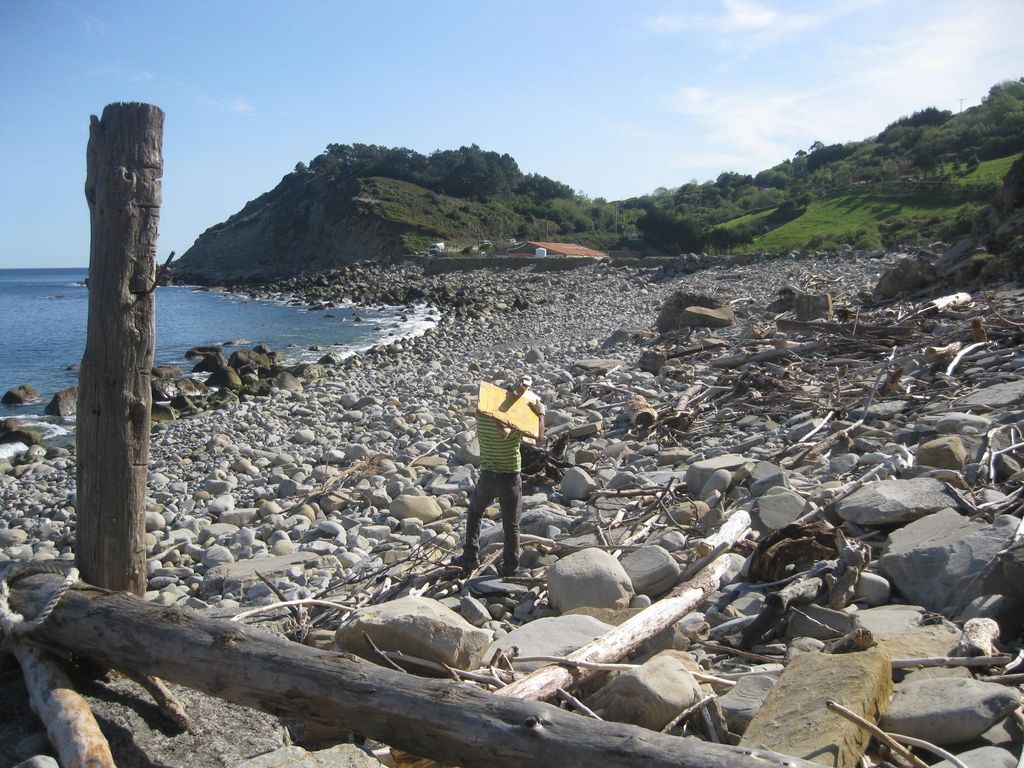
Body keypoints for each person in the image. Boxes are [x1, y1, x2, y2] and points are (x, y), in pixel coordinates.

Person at [452, 374, 545, 577]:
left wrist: (510, 392)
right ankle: (510, 566)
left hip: (487, 477)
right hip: (510, 479)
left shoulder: (481, 415)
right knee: (511, 526)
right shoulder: (516, 426)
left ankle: (470, 556)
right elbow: (538, 438)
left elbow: (496, 404)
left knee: (475, 513)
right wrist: (540, 414)